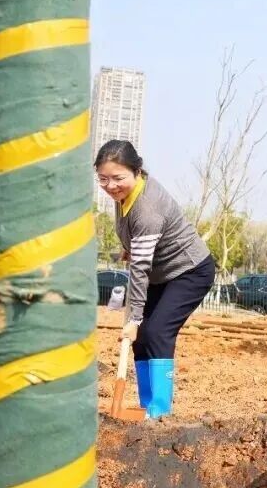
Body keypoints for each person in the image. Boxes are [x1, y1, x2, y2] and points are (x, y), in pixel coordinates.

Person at [95, 140, 216, 419]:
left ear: (137, 171)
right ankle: (146, 407)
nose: (111, 185)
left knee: (156, 331)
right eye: (103, 179)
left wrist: (135, 319)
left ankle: (160, 413)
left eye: (118, 178)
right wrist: (131, 247)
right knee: (139, 339)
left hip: (189, 271)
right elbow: (137, 242)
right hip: (162, 273)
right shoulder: (126, 194)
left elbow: (140, 269)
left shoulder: (147, 208)